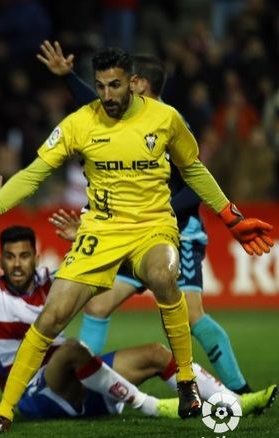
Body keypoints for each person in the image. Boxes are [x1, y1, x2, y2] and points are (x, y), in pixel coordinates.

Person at [0, 47, 274, 432]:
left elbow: (193, 170)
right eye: (100, 87)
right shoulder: (80, 123)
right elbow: (33, 175)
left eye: (115, 85)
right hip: (101, 230)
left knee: (164, 275)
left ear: (133, 82)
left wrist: (232, 217)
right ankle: (4, 411)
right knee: (53, 316)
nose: (108, 95)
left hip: (153, 226)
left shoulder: (165, 119)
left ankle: (185, 382)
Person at [0, 172, 276, 432]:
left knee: (156, 353)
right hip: (33, 399)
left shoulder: (51, 281)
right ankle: (152, 407)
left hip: (77, 382)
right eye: (11, 258)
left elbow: (122, 272)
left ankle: (234, 401)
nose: (17, 265)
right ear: (0, 261)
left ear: (36, 257)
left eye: (24, 256)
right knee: (72, 349)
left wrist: (83, 242)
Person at [38, 40, 254, 394]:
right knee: (98, 303)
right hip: (136, 234)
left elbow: (194, 185)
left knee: (190, 314)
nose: (116, 89)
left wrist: (159, 214)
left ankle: (240, 390)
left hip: (177, 234)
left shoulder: (169, 121)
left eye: (128, 80)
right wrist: (68, 77)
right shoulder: (128, 120)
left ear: (140, 84)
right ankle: (91, 386)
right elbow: (92, 107)